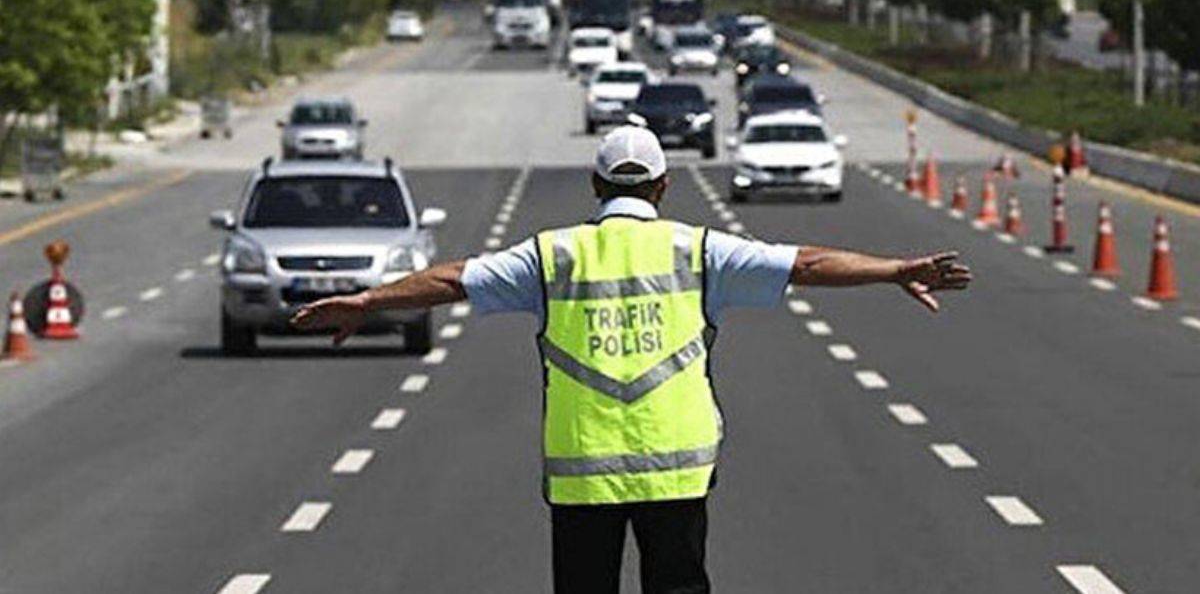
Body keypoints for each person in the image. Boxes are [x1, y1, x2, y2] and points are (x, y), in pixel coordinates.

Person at [291, 126, 972, 594]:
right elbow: (807, 263)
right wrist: (892, 269)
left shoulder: (551, 256)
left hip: (582, 475)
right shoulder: (699, 250)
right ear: (664, 185)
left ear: (594, 182)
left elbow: (452, 278)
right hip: (677, 468)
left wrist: (368, 300)